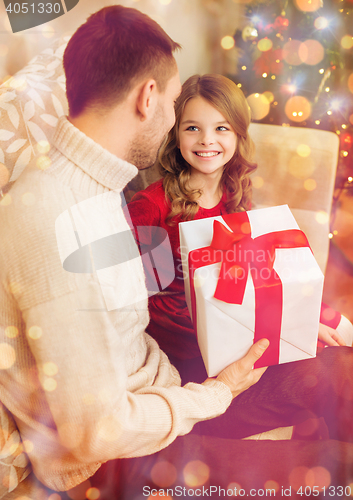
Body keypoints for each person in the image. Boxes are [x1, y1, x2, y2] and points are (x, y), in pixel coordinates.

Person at [0, 6, 352, 500]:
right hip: (122, 455)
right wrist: (216, 392)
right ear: (148, 98)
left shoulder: (100, 189)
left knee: (340, 373)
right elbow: (95, 433)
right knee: (338, 473)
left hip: (174, 397)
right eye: (173, 103)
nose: (174, 120)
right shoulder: (54, 219)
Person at [126, 74, 351, 384]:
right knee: (323, 374)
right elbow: (146, 303)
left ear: (238, 136)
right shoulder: (153, 207)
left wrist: (296, 318)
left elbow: (249, 278)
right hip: (191, 353)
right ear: (176, 134)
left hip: (243, 326)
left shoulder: (235, 194)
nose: (206, 140)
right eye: (193, 128)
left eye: (221, 128)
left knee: (337, 339)